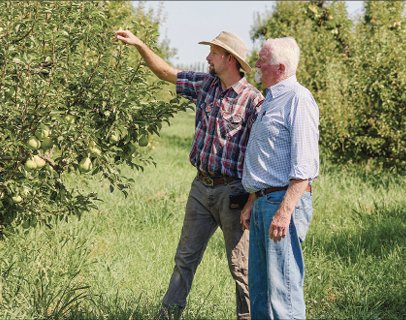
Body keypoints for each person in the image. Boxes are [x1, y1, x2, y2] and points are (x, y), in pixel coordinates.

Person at [115, 30, 264, 320]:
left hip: (234, 193)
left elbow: (259, 156)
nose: (207, 57)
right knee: (185, 258)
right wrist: (140, 45)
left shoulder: (254, 102)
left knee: (241, 267)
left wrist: (253, 200)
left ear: (229, 59)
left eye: (213, 53)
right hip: (201, 187)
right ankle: (168, 316)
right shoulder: (204, 85)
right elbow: (165, 72)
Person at [240, 37, 319, 319]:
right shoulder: (270, 100)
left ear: (280, 67)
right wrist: (252, 200)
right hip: (264, 201)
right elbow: (265, 158)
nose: (256, 65)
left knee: (283, 293)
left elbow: (305, 166)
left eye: (262, 60)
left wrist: (285, 211)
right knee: (260, 291)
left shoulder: (298, 99)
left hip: (283, 202)